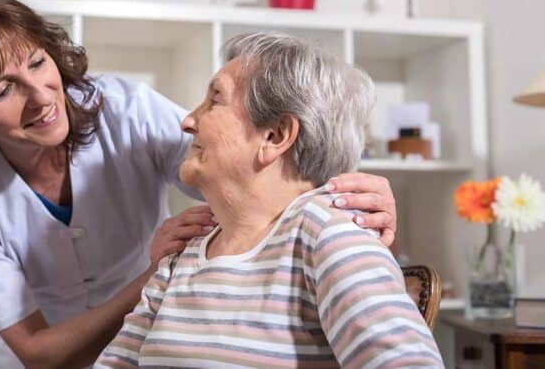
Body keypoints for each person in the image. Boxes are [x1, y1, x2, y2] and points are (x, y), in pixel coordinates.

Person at [0, 0, 400, 368]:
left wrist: (349, 192)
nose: (44, 96)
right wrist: (157, 274)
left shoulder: (124, 111)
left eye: (38, 63)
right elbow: (39, 353)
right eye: (1, 91)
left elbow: (250, 168)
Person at [96, 33, 441, 368]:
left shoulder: (326, 235)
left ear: (274, 136)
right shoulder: (185, 251)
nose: (187, 121)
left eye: (214, 100)